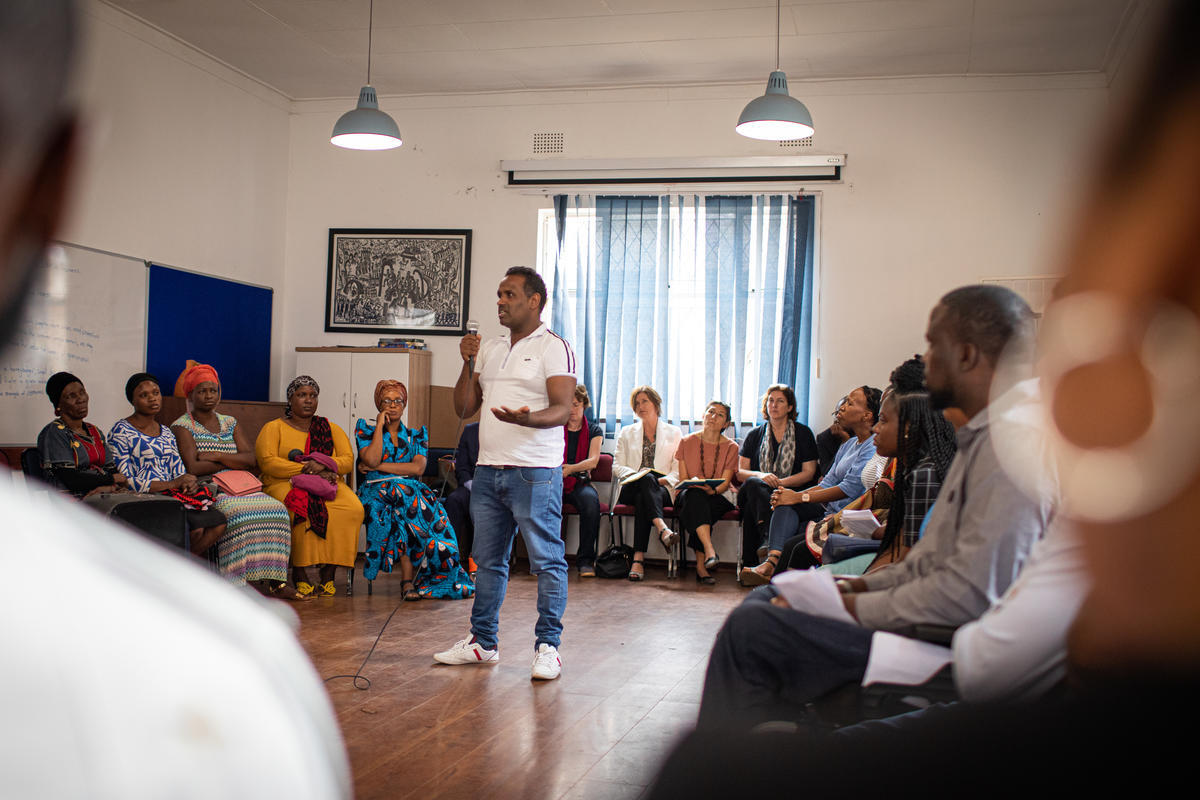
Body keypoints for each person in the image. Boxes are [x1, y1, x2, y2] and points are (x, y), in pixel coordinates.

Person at [0, 4, 350, 795]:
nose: (177, 396)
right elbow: (183, 462)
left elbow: (218, 457)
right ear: (58, 188)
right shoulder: (214, 688)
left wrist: (208, 468)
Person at [698, 284, 1053, 730]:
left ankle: (740, 766)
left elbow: (967, 597)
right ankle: (765, 753)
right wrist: (846, 592)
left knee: (752, 629)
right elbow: (925, 562)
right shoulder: (981, 438)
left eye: (932, 345)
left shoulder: (1015, 445)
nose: (924, 362)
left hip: (954, 650)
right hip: (938, 627)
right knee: (766, 605)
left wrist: (849, 610)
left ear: (965, 355)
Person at [434, 266, 576, 681]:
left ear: (534, 300)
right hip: (488, 469)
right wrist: (467, 362)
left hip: (534, 471)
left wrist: (527, 420)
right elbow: (464, 407)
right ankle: (482, 642)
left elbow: (563, 409)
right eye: (498, 294)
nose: (500, 301)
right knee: (488, 560)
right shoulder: (492, 348)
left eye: (509, 294)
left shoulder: (554, 347)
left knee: (547, 561)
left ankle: (548, 647)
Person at [170, 363, 301, 600]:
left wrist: (217, 456)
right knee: (237, 513)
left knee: (278, 510)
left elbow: (250, 459)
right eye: (202, 391)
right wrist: (232, 461)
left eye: (213, 390)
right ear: (190, 395)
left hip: (241, 483)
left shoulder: (230, 422)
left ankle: (277, 582)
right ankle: (234, 582)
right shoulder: (182, 426)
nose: (209, 396)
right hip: (208, 486)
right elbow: (194, 467)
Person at [822, 362, 957, 577]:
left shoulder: (925, 475)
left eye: (882, 421)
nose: (876, 428)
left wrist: (853, 587)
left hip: (916, 576)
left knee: (824, 573)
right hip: (893, 554)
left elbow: (906, 559)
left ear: (906, 428)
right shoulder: (909, 466)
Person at [740, 385, 880, 585]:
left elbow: (848, 488)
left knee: (792, 544)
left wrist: (799, 496)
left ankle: (773, 578)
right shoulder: (849, 444)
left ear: (867, 415)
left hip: (845, 515)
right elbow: (829, 481)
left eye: (850, 402)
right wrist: (788, 495)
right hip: (827, 510)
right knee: (781, 501)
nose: (842, 407)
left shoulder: (873, 446)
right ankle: (771, 564)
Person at [354, 378, 473, 600]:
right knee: (406, 503)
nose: (392, 405)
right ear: (378, 404)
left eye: (398, 400)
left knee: (403, 513)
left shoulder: (417, 435)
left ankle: (433, 573)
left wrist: (377, 467)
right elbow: (370, 456)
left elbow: (418, 467)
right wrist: (379, 426)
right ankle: (407, 582)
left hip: (407, 496)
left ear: (405, 404)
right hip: (375, 493)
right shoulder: (365, 430)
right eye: (386, 400)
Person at [255, 376, 364, 598]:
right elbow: (268, 462)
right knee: (300, 507)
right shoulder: (273, 428)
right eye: (302, 395)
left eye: (313, 396)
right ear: (290, 399)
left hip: (327, 483)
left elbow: (346, 459)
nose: (308, 400)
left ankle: (329, 574)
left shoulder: (329, 428)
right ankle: (300, 573)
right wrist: (310, 469)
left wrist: (325, 467)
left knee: (352, 509)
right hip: (283, 482)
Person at [108, 372, 228, 556]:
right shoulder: (121, 431)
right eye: (143, 395)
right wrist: (173, 484)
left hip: (172, 497)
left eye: (155, 393)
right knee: (193, 528)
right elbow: (126, 480)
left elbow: (178, 471)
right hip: (143, 498)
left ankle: (178, 566)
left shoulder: (166, 432)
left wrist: (187, 481)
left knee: (218, 522)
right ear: (132, 400)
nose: (152, 398)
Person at [735, 384, 819, 569]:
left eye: (780, 401)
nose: (774, 405)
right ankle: (767, 537)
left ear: (790, 407)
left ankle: (751, 566)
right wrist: (763, 476)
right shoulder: (755, 434)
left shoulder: (803, 433)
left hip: (789, 491)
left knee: (753, 507)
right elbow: (740, 472)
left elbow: (809, 472)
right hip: (756, 489)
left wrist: (779, 483)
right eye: (770, 400)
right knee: (754, 484)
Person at [612, 385, 684, 582]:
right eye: (637, 403)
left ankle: (638, 559)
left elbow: (678, 469)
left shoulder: (674, 432)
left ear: (655, 403)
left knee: (645, 494)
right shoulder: (626, 432)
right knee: (645, 480)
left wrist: (657, 480)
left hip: (660, 489)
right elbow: (617, 466)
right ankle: (663, 529)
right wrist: (639, 475)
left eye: (645, 401)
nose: (640, 406)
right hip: (631, 485)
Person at [674, 401, 740, 584]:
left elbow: (726, 483)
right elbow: (684, 479)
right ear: (703, 416)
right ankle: (709, 552)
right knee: (697, 499)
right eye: (710, 412)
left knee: (700, 506)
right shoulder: (686, 442)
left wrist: (713, 490)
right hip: (690, 492)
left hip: (719, 494)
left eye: (720, 415)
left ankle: (703, 565)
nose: (713, 417)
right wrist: (699, 487)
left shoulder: (732, 447)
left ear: (726, 424)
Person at [37, 371, 129, 497]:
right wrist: (111, 480)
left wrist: (110, 486)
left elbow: (113, 471)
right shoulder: (55, 432)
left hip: (101, 496)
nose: (81, 399)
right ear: (58, 404)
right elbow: (71, 480)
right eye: (71, 396)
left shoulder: (94, 431)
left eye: (82, 392)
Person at [563, 384, 603, 578]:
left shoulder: (594, 430)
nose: (572, 410)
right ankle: (546, 560)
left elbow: (593, 461)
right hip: (555, 480)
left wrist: (570, 468)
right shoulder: (555, 428)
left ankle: (586, 561)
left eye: (576, 405)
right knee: (541, 503)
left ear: (584, 405)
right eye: (568, 405)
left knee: (591, 503)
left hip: (579, 482)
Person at [443, 421, 479, 575]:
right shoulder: (470, 430)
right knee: (454, 500)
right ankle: (449, 558)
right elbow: (462, 467)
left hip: (497, 490)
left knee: (491, 508)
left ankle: (484, 563)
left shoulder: (508, 430)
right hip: (471, 486)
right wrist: (472, 485)